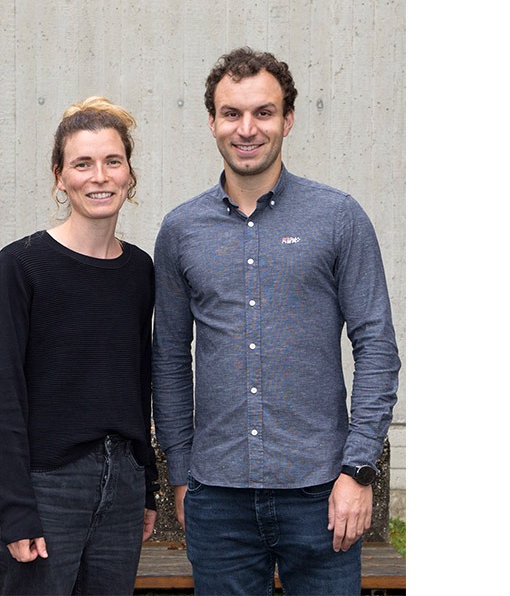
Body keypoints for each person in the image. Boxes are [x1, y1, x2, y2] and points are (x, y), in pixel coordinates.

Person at [152, 47, 401, 595]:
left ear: (288, 119)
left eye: (263, 112)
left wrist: (359, 470)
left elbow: (377, 347)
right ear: (212, 122)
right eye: (232, 113)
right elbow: (168, 358)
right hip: (216, 495)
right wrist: (180, 472)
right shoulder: (180, 230)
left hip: (324, 491)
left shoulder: (338, 218)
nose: (247, 129)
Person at [0, 96, 159, 595]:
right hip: (47, 487)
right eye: (82, 164)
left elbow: (138, 382)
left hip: (122, 490)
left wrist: (145, 484)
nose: (99, 176)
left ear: (129, 174)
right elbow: (3, 394)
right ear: (60, 177)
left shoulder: (140, 270)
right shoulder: (21, 265)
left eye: (112, 161)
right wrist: (16, 509)